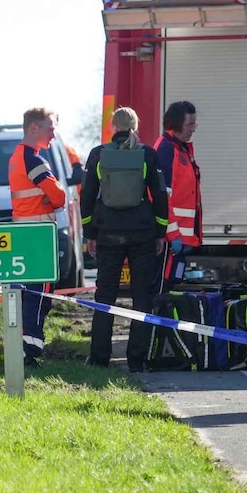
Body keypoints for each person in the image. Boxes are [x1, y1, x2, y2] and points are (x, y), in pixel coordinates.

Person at [80, 108, 168, 372]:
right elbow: (160, 196)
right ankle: (137, 360)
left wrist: (90, 233)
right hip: (142, 232)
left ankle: (99, 358)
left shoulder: (98, 154)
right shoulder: (147, 155)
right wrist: (160, 232)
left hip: (107, 232)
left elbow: (87, 197)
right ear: (135, 126)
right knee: (142, 297)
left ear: (112, 126)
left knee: (105, 295)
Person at [8, 108, 68, 366]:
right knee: (38, 294)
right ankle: (29, 352)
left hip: (27, 231)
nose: (53, 133)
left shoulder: (18, 157)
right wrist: (52, 198)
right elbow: (60, 197)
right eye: (50, 127)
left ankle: (25, 348)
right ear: (34, 128)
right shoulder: (32, 159)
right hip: (38, 234)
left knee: (30, 294)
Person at [154, 100, 202, 292]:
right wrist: (173, 235)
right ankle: (157, 323)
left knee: (169, 288)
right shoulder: (167, 150)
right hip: (169, 241)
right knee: (161, 290)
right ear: (176, 123)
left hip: (176, 240)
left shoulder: (179, 148)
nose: (193, 129)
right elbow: (163, 196)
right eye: (190, 124)